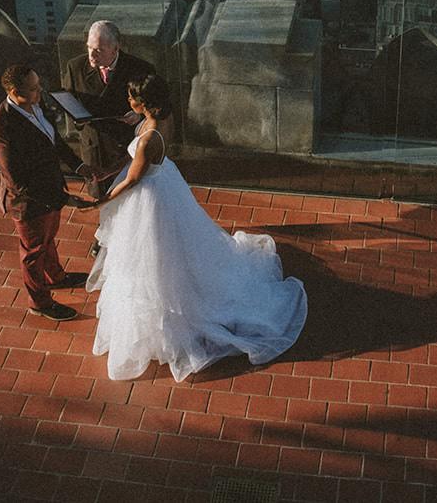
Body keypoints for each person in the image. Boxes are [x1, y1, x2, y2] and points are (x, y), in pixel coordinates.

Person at [80, 74, 308, 381]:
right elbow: (139, 141)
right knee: (179, 250)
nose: (127, 100)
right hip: (165, 184)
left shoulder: (148, 140)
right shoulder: (162, 119)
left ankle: (169, 321)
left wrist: (103, 201)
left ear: (145, 103)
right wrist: (136, 118)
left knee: (151, 260)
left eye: (132, 97)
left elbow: (132, 179)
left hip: (149, 198)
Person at [0, 63, 96, 322]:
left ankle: (56, 277)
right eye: (33, 88)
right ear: (14, 92)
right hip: (30, 202)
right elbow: (18, 183)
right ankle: (39, 302)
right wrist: (64, 198)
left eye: (38, 85)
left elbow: (53, 141)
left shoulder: (34, 107)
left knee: (47, 240)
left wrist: (79, 167)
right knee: (33, 251)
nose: (40, 92)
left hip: (49, 191)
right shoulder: (3, 131)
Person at [60, 20, 157, 194]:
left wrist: (140, 115)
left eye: (98, 50)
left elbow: (157, 105)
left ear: (115, 48)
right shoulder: (75, 67)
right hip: (94, 147)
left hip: (125, 148)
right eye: (89, 47)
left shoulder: (140, 69)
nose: (91, 54)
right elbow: (69, 102)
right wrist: (78, 119)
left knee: (129, 196)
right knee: (102, 196)